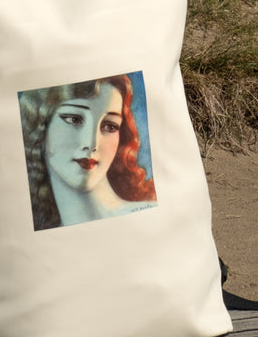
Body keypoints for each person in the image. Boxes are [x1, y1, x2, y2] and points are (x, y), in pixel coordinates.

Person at [19, 74, 157, 229]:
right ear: (41, 124)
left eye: (110, 126)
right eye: (74, 119)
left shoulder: (150, 212)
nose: (91, 143)